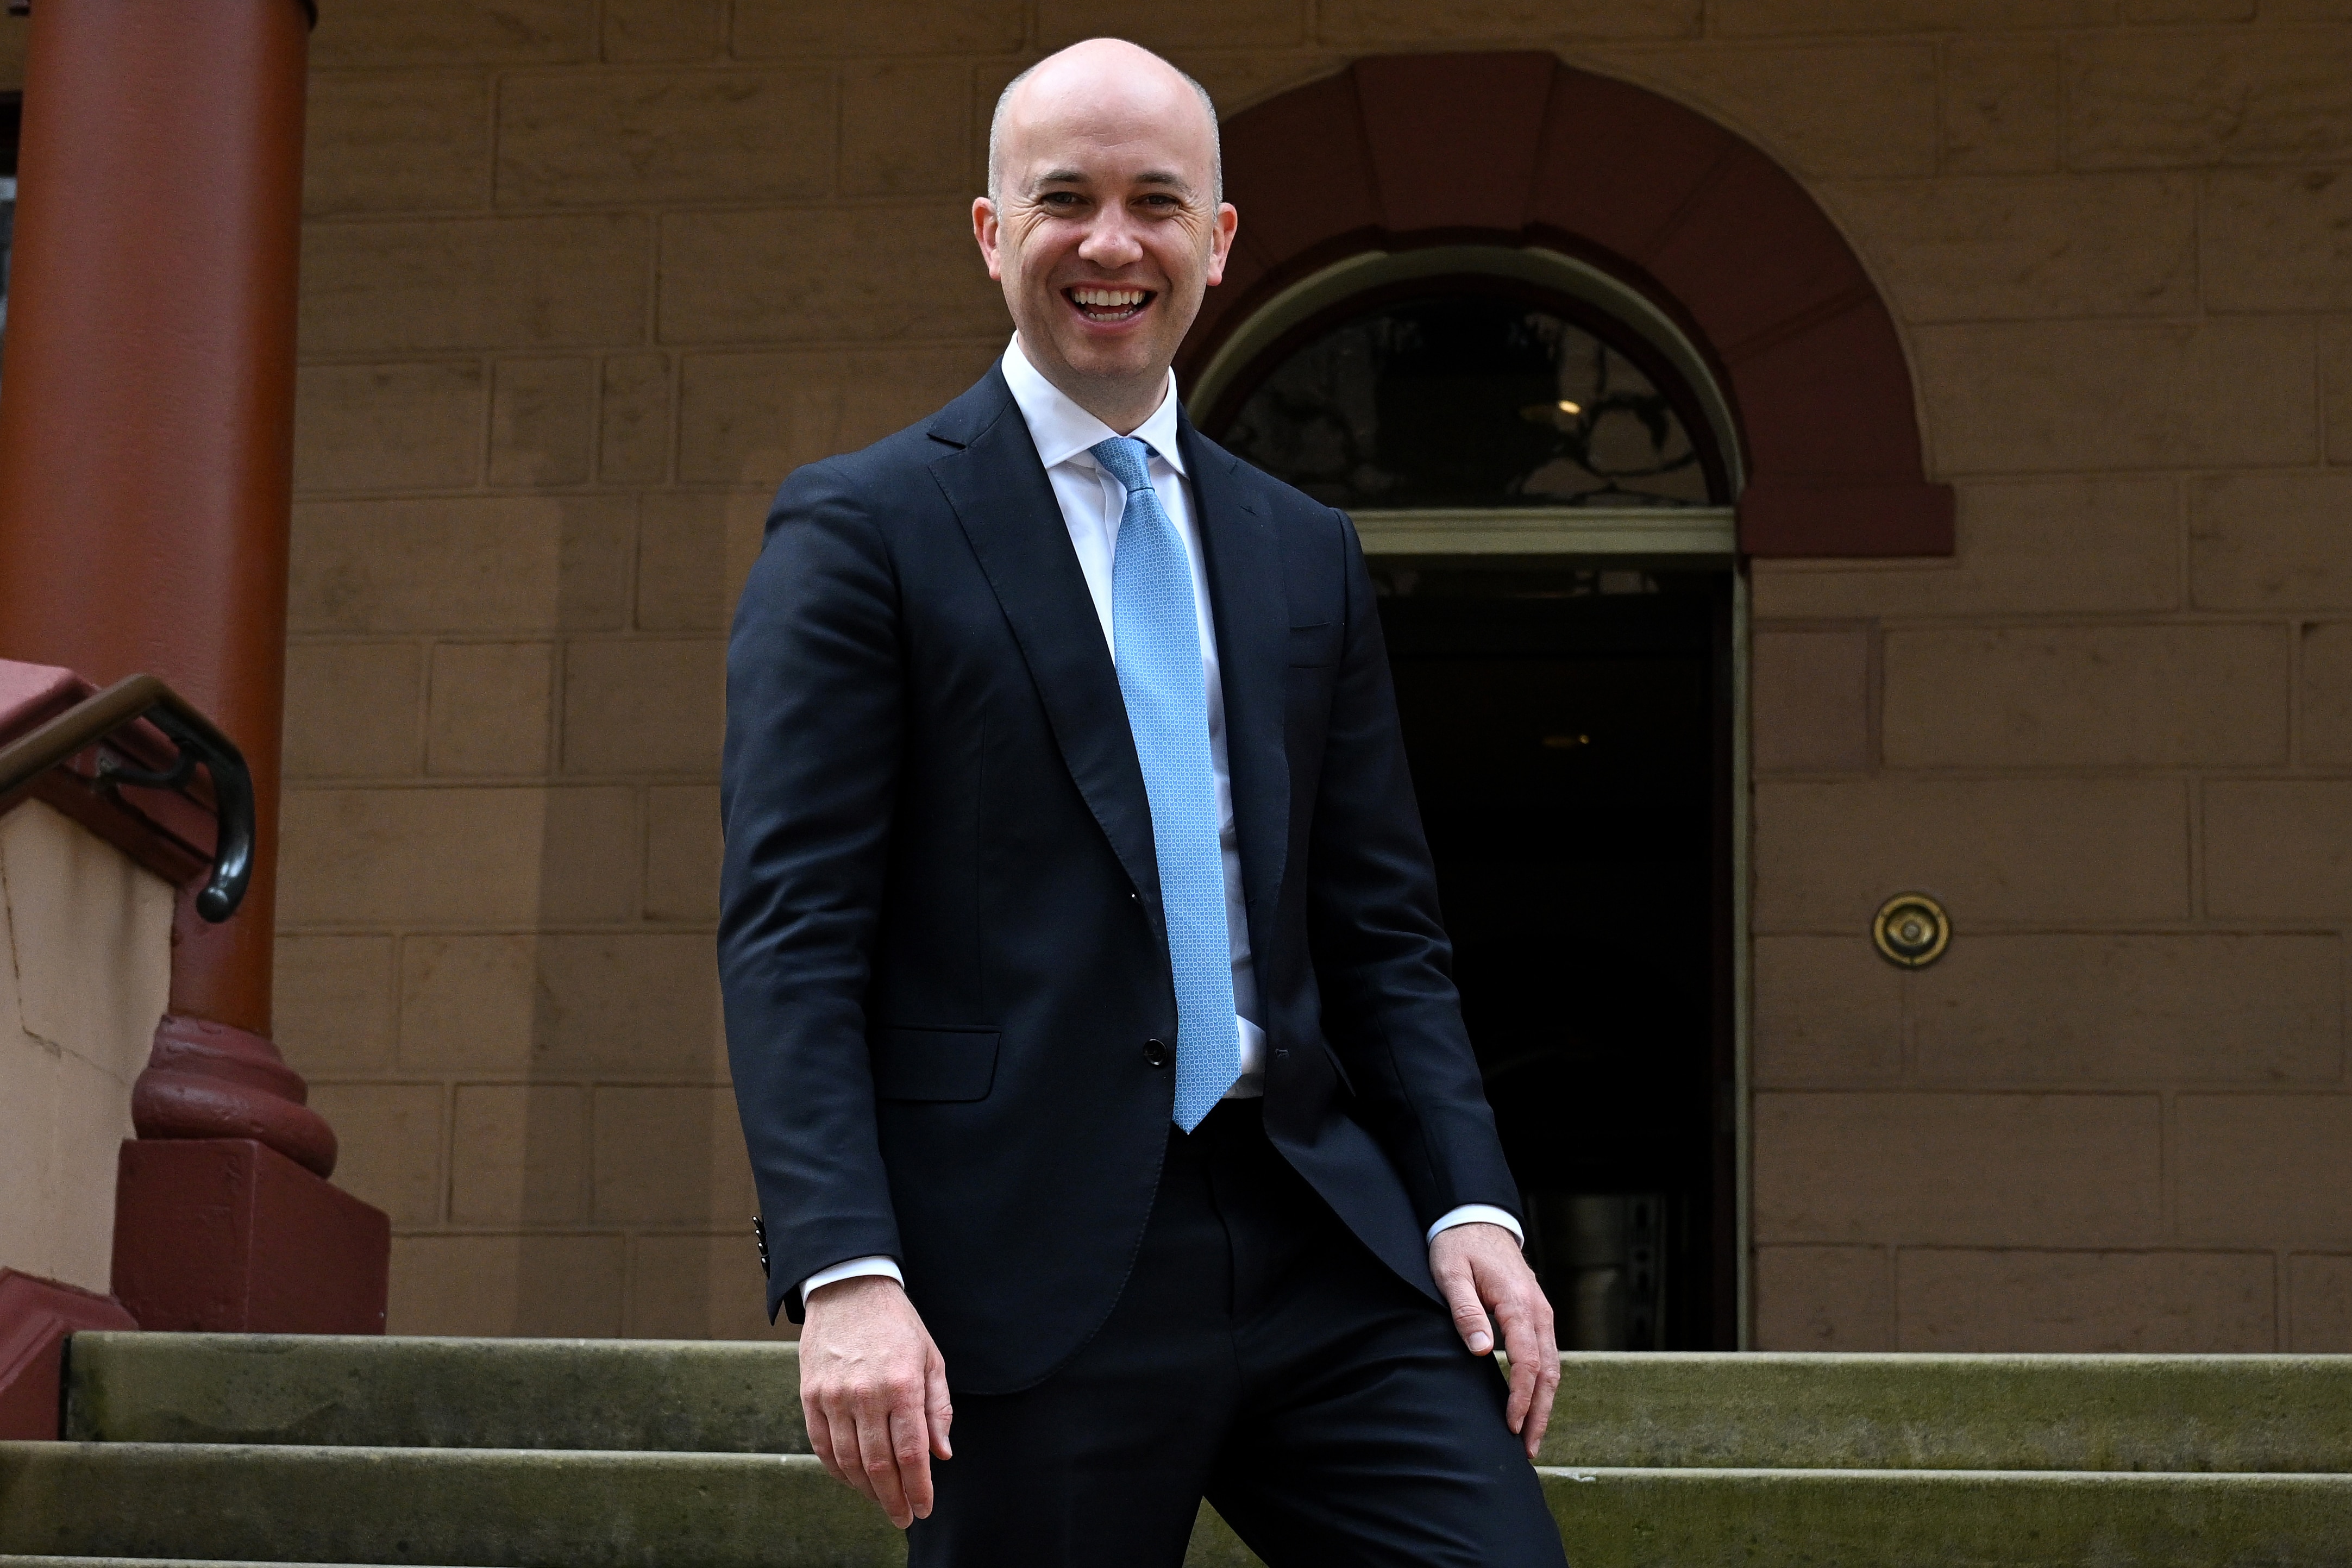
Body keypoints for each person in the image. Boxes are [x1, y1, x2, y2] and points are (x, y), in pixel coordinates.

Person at [719, 35, 1567, 1567]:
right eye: (1065, 200)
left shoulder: (1303, 549)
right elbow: (792, 932)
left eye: (1156, 203)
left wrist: (1469, 1204)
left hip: (1317, 1232)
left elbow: (1383, 933)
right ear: (992, 236)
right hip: (1019, 1258)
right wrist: (845, 1264)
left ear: (1217, 242)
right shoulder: (865, 530)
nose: (1110, 244)